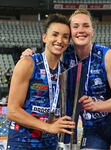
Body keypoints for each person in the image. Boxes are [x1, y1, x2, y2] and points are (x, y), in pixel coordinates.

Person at [21, 9, 111, 150]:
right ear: (70, 33)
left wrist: (95, 105)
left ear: (92, 31)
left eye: (86, 26)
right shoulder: (65, 55)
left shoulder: (107, 56)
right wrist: (31, 55)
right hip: (91, 127)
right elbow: (47, 57)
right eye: (75, 26)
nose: (81, 30)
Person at [7, 14, 75, 150]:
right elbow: (12, 111)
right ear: (44, 37)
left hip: (50, 143)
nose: (59, 40)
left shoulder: (66, 72)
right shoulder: (28, 63)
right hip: (22, 142)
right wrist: (49, 127)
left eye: (65, 37)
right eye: (55, 35)